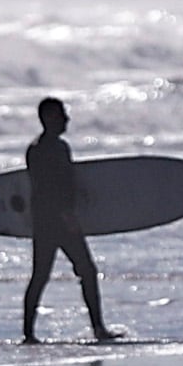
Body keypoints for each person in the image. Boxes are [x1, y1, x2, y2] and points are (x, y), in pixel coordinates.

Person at [19, 95, 118, 345]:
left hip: (43, 220)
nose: (67, 119)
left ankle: (29, 334)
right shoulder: (51, 149)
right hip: (58, 220)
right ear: (50, 117)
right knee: (86, 270)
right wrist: (67, 214)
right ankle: (98, 329)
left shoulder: (37, 148)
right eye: (62, 114)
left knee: (41, 275)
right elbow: (51, 186)